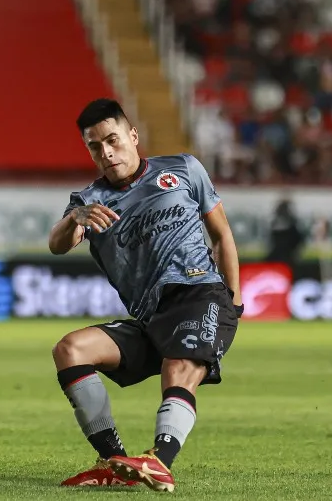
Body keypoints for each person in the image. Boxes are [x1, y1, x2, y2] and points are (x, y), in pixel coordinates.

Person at [48, 99, 243, 493]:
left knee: (178, 366)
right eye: (94, 146)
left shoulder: (184, 169)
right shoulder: (90, 201)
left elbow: (221, 235)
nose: (106, 152)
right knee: (70, 350)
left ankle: (159, 461)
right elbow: (57, 244)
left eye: (112, 140)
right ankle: (112, 462)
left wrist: (234, 302)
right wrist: (75, 219)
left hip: (198, 294)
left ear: (133, 136)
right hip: (151, 318)